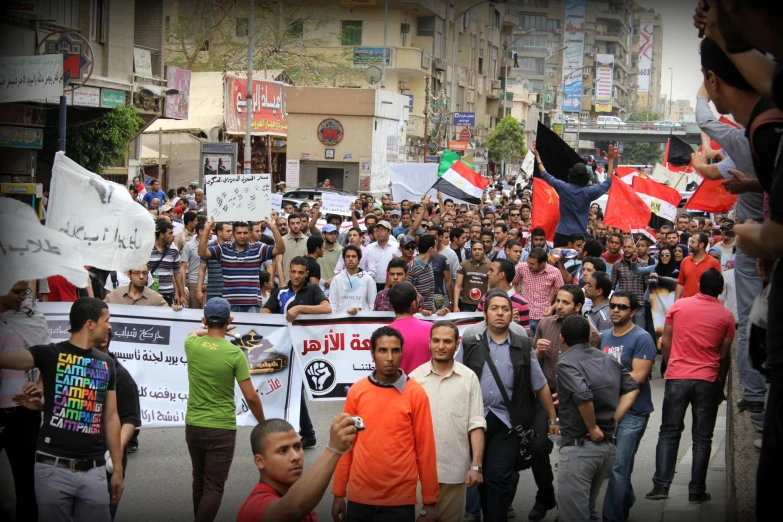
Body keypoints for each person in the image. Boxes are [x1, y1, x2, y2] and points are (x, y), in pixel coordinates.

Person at [0, 297, 124, 522]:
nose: (110, 326)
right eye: (106, 320)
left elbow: (111, 418)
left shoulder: (107, 364)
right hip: (51, 469)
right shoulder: (50, 354)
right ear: (90, 324)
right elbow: (8, 359)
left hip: (94, 470)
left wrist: (117, 469)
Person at [460, 289, 558, 522]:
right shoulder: (470, 342)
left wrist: (553, 419)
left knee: (499, 476)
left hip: (508, 422)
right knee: (482, 475)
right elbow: (456, 376)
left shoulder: (523, 345)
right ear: (485, 314)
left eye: (505, 309)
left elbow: (539, 384)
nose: (500, 313)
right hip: (475, 420)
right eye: (494, 308)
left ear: (513, 315)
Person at [331, 326, 439, 522]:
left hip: (400, 501)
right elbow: (347, 445)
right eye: (382, 350)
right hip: (359, 497)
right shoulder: (357, 392)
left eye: (395, 350)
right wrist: (339, 493)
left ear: (401, 353)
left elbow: (426, 449)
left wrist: (430, 500)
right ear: (372, 354)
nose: (389, 357)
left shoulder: (416, 393)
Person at [646, 269, 734, 504]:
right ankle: (696, 490)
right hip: (707, 379)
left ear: (699, 286)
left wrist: (670, 365)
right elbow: (723, 356)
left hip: (677, 376)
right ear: (721, 290)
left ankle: (661, 486)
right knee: (702, 438)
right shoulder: (726, 317)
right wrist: (719, 385)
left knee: (669, 431)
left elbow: (665, 341)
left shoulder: (679, 307)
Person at [184, 298, 265, 522]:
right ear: (230, 320)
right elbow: (251, 396)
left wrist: (208, 329)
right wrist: (263, 422)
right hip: (221, 428)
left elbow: (194, 333)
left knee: (199, 479)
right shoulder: (234, 353)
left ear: (204, 320)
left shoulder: (192, 345)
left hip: (194, 425)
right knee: (214, 486)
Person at [556, 315, 640, 522]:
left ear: (561, 338)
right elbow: (632, 387)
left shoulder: (566, 362)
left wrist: (593, 427)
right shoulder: (608, 358)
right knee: (589, 511)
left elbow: (582, 395)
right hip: (606, 448)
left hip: (580, 446)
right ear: (589, 335)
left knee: (574, 515)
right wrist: (615, 419)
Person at [409, 321, 487, 522]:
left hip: (455, 471)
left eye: (447, 341)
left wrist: (476, 466)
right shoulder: (414, 379)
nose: (441, 346)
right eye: (436, 340)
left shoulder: (468, 378)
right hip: (418, 475)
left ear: (457, 343)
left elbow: (476, 424)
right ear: (429, 342)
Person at [600, 291, 657, 522]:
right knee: (612, 467)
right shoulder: (603, 336)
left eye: (621, 307)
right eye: (612, 306)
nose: (615, 310)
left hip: (634, 413)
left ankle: (612, 518)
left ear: (633, 312)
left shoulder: (642, 338)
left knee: (619, 467)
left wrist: (605, 384)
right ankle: (625, 496)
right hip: (608, 411)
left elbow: (639, 376)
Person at [236, 414, 358, 522]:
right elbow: (292, 510)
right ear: (260, 461)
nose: (295, 456)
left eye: (297, 447)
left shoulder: (301, 499)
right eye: (283, 451)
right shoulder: (255, 506)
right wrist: (333, 449)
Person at [263, 257, 331, 449]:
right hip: (282, 348)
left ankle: (300, 434)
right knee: (288, 390)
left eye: (301, 272)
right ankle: (306, 433)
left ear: (307, 274)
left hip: (306, 350)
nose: (296, 276)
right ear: (289, 271)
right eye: (293, 272)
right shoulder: (280, 292)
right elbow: (265, 311)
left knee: (295, 390)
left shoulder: (313, 290)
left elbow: (327, 308)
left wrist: (300, 308)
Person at [0, 281, 49, 522]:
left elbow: (46, 359)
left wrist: (38, 389)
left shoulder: (31, 315)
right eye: (17, 291)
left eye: (25, 291)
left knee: (27, 483)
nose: (23, 297)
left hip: (24, 412)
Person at [95, 329, 140, 521]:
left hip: (105, 462)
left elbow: (130, 420)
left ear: (104, 341)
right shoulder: (75, 367)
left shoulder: (122, 377)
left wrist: (115, 453)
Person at [531, 144, 615, 247]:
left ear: (571, 174)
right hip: (579, 237)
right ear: (586, 177)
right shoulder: (589, 192)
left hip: (562, 234)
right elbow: (608, 183)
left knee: (557, 261)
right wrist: (610, 161)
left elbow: (545, 174)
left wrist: (537, 157)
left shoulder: (563, 187)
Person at [199, 216, 284, 313]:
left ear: (249, 234)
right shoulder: (223, 249)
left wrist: (273, 227)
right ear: (233, 234)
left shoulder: (258, 248)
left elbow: (280, 249)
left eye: (245, 233)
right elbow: (202, 252)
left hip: (252, 303)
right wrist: (207, 229)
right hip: (230, 302)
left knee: (252, 328)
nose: (242, 236)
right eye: (239, 233)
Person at [514, 247, 565, 336]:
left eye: (532, 264)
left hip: (543, 317)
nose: (529, 265)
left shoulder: (555, 272)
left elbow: (562, 294)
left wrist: (552, 308)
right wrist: (518, 300)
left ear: (542, 263)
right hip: (525, 315)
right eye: (528, 262)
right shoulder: (523, 268)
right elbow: (515, 282)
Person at [388, 282, 434, 374]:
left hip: (397, 387)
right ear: (414, 304)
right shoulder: (431, 329)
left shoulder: (384, 334)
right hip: (427, 387)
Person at [477, 258, 531, 332]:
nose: (488, 273)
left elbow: (526, 335)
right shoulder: (486, 298)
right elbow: (476, 324)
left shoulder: (521, 303)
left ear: (501, 275)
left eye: (491, 270)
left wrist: (516, 326)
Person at [611, 237, 649, 329]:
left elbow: (647, 284)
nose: (627, 249)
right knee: (623, 328)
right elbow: (612, 284)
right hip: (623, 304)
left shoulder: (643, 264)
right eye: (625, 247)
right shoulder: (617, 264)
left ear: (634, 248)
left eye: (629, 247)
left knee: (640, 329)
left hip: (639, 302)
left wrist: (645, 299)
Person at [106, 264, 182, 309]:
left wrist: (174, 310)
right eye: (137, 273)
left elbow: (168, 315)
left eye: (144, 273)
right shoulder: (115, 296)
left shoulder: (156, 299)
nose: (141, 276)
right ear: (129, 275)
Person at [329, 245, 377, 314]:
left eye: (354, 256)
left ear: (359, 259)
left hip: (363, 321)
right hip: (341, 321)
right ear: (344, 259)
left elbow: (372, 304)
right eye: (348, 256)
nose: (351, 259)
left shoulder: (368, 279)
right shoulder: (336, 279)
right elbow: (333, 304)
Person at [675, 232, 721, 301]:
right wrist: (676, 302)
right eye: (690, 241)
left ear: (701, 245)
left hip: (705, 305)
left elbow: (717, 286)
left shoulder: (714, 263)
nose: (689, 244)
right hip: (687, 304)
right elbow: (681, 283)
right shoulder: (685, 261)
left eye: (693, 242)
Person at [149, 221, 186, 306]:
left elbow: (177, 273)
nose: (173, 236)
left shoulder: (174, 251)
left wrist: (182, 294)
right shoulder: (148, 250)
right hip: (151, 293)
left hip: (167, 294)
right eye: (170, 233)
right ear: (162, 235)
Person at [197, 222, 232, 306]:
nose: (231, 233)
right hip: (213, 290)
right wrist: (199, 290)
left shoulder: (233, 247)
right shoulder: (208, 248)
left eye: (231, 231)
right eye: (228, 231)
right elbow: (202, 270)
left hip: (230, 291)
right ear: (219, 233)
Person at [454, 240, 491, 312]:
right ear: (471, 251)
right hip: (465, 304)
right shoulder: (463, 264)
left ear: (484, 251)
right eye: (474, 249)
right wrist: (455, 306)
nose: (477, 251)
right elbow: (457, 286)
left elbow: (491, 287)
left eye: (480, 249)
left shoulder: (490, 266)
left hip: (483, 304)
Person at [406, 233, 438, 313]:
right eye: (435, 247)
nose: (436, 250)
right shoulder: (412, 267)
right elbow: (407, 294)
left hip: (431, 313)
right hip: (418, 315)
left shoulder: (429, 264)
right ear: (431, 249)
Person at [364, 219, 400, 292]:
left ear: (389, 233)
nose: (380, 232)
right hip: (373, 284)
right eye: (378, 229)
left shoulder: (397, 247)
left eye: (383, 230)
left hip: (391, 284)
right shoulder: (369, 248)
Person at [181, 220, 207, 309]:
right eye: (209, 230)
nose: (211, 232)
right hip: (193, 283)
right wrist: (183, 286)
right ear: (201, 232)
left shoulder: (212, 245)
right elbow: (183, 266)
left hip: (209, 284)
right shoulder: (189, 245)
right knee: (194, 311)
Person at [278, 214, 308, 287]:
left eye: (297, 223)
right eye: (292, 223)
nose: (295, 226)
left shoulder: (308, 241)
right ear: (289, 225)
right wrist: (282, 282)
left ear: (301, 223)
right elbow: (279, 263)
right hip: (286, 282)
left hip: (303, 284)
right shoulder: (282, 240)